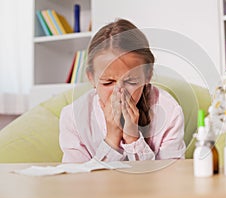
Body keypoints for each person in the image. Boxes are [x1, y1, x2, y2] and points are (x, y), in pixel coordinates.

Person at [59, 19, 186, 163]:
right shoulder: (73, 117)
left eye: (131, 82)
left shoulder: (169, 110)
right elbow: (76, 178)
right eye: (108, 82)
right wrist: (112, 139)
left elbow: (171, 175)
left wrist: (133, 138)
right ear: (91, 78)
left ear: (148, 75)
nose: (119, 93)